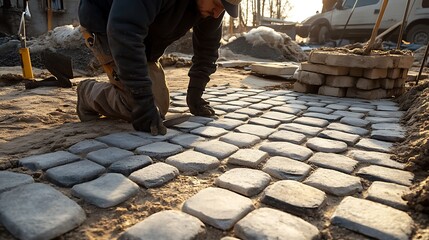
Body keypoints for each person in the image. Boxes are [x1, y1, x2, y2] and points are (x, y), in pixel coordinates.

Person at [77, 0, 242, 135]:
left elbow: (207, 50)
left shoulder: (212, 9)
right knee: (137, 106)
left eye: (224, 9)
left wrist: (195, 94)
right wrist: (141, 99)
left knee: (157, 105)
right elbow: (123, 30)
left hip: (142, 39)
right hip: (107, 27)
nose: (217, 13)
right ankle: (87, 93)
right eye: (217, 4)